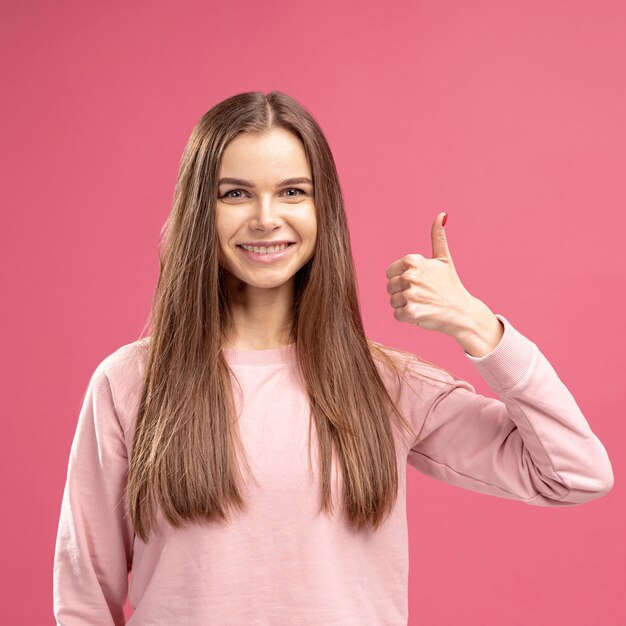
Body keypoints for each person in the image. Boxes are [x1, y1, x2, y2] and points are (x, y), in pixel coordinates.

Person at [53, 91, 614, 626]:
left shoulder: (388, 385)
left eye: (294, 191)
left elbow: (573, 474)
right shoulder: (129, 382)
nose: (267, 217)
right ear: (201, 209)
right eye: (235, 193)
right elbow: (84, 595)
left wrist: (478, 326)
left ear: (325, 210)